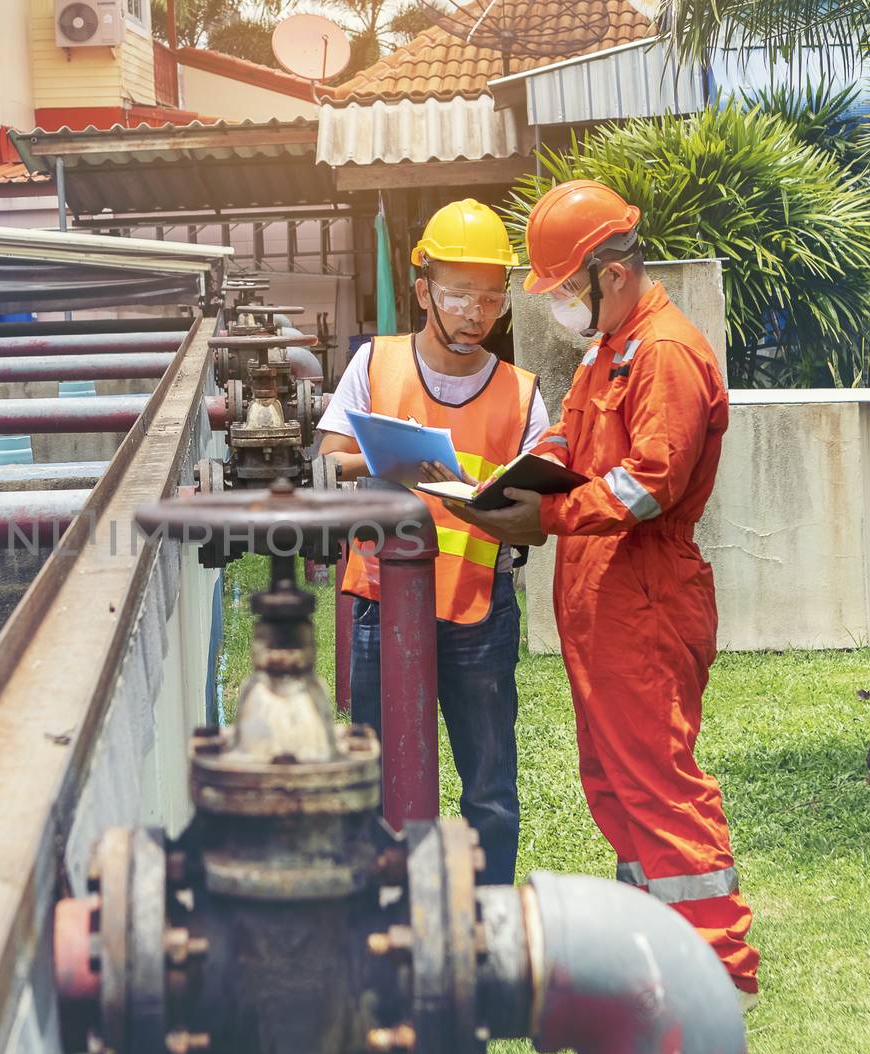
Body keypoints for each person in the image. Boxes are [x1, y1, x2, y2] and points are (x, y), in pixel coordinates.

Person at [437, 179, 760, 1005]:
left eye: (562, 291)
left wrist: (541, 513)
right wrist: (518, 467)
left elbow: (650, 482)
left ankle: (716, 974)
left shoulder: (664, 353)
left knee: (658, 782)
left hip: (644, 598)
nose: (557, 309)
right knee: (615, 782)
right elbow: (569, 436)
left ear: (609, 275)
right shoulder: (611, 349)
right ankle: (663, 952)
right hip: (605, 600)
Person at [317, 198, 549, 887]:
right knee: (380, 791)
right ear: (423, 292)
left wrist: (503, 504)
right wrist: (393, 462)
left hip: (479, 614)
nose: (476, 312)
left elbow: (540, 509)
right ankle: (387, 923)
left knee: (490, 796)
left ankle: (486, 927)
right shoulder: (374, 366)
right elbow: (328, 463)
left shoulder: (522, 393)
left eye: (490, 297)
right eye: (458, 294)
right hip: (380, 608)